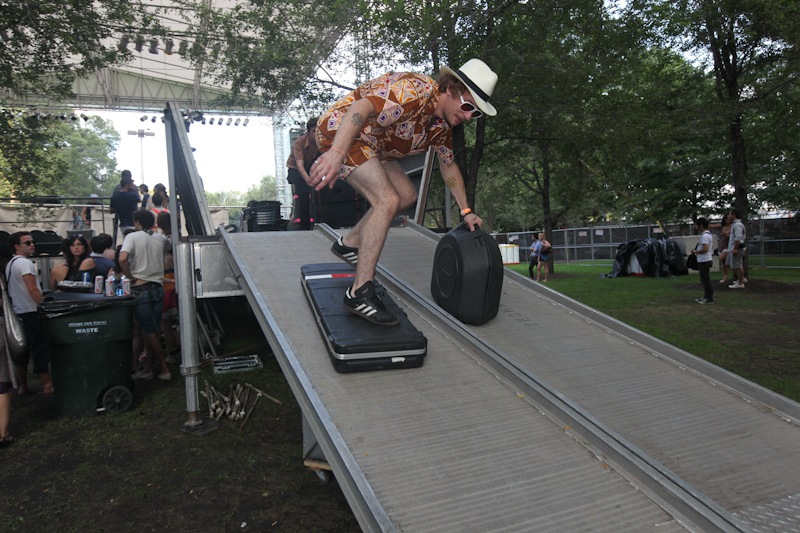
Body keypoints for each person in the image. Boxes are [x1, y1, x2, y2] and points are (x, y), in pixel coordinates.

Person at [310, 58, 498, 325]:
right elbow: (362, 107)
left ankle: (349, 243)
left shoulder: (441, 126)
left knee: (407, 196)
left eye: (475, 113)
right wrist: (337, 152)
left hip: (375, 146)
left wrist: (466, 211)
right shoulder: (414, 92)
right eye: (468, 106)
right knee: (386, 200)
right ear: (450, 90)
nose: (468, 116)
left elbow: (449, 166)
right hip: (344, 132)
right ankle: (359, 293)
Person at [119, 210, 172, 381]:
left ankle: (164, 369)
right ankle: (148, 369)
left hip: (141, 289)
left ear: (137, 222)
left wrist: (130, 277)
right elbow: (169, 245)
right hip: (158, 289)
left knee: (149, 331)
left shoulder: (132, 237)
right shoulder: (161, 239)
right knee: (153, 330)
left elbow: (122, 259)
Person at [5, 232, 53, 395]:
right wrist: (43, 306)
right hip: (31, 311)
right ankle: (46, 384)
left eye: (32, 242)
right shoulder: (24, 264)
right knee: (38, 348)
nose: (32, 245)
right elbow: (32, 288)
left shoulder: (11, 263)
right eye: (27, 243)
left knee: (22, 350)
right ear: (17, 246)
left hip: (20, 311)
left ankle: (22, 385)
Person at [287, 117, 321, 230]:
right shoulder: (299, 142)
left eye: (319, 131)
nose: (316, 134)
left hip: (311, 167)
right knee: (303, 194)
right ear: (308, 131)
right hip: (296, 169)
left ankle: (321, 221)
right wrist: (308, 180)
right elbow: (299, 165)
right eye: (314, 131)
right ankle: (304, 227)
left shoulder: (322, 141)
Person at [157, 212, 180, 361]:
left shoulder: (166, 242)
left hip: (167, 290)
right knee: (170, 323)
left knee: (165, 324)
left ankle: (171, 352)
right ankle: (176, 347)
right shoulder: (177, 236)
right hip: (175, 288)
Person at [690, 217, 714, 304]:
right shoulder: (706, 235)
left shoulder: (705, 236)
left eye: (696, 224)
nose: (695, 226)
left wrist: (696, 251)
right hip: (703, 260)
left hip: (705, 260)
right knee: (704, 279)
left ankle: (709, 298)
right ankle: (706, 296)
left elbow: (705, 249)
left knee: (706, 279)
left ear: (701, 225)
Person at [727, 209, 747, 289]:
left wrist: (735, 249)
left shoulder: (737, 225)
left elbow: (738, 237)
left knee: (738, 265)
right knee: (729, 263)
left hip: (737, 248)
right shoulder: (735, 225)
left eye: (730, 214)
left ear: (734, 215)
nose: (728, 216)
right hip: (732, 248)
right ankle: (741, 278)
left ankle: (740, 283)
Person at [710, 214, 732, 283]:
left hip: (729, 245)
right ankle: (725, 277)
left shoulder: (733, 227)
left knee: (723, 258)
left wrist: (727, 235)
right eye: (726, 219)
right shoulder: (722, 226)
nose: (727, 220)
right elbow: (712, 226)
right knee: (723, 262)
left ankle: (738, 273)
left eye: (728, 219)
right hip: (722, 245)